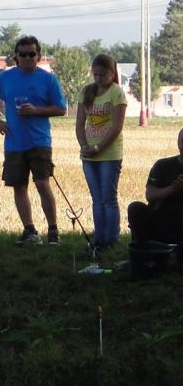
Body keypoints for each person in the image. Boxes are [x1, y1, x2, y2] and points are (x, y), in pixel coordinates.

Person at [0, 36, 68, 245]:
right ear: (16, 57)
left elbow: (61, 108)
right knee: (19, 186)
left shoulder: (48, 79)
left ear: (38, 56)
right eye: (23, 54)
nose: (28, 58)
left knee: (42, 183)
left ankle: (53, 230)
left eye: (32, 54)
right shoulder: (5, 78)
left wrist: (37, 110)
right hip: (14, 142)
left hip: (40, 141)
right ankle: (30, 231)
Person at [75, 53, 127, 254]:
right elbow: (80, 124)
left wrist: (100, 147)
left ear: (112, 73)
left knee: (108, 198)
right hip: (89, 154)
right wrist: (84, 145)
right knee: (96, 198)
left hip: (109, 154)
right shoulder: (86, 92)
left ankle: (112, 239)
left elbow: (117, 126)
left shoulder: (117, 93)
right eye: (95, 74)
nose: (98, 78)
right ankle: (99, 238)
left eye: (102, 75)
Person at [127, 128, 183, 248]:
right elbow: (150, 195)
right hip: (161, 218)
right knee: (135, 208)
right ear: (178, 143)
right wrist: (172, 189)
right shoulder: (162, 165)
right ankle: (143, 249)